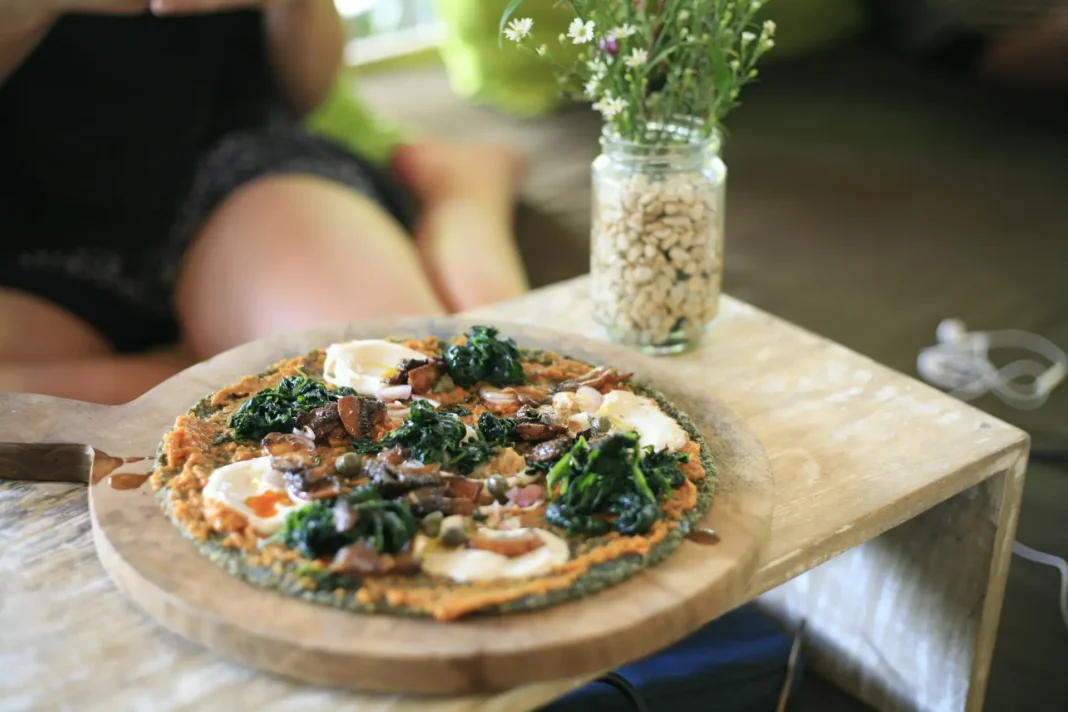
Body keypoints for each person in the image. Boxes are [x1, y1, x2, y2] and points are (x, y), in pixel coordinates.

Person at [0, 0, 529, 406]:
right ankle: (222, 364)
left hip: (235, 167)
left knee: (407, 393)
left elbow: (305, 93)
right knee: (318, 380)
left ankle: (464, 197)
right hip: (27, 224)